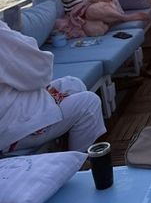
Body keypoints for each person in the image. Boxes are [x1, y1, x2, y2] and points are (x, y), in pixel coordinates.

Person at [0, 20, 106, 155]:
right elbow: (41, 72)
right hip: (12, 128)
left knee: (73, 84)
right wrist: (14, 34)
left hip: (14, 104)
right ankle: (78, 163)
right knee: (89, 103)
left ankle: (63, 144)